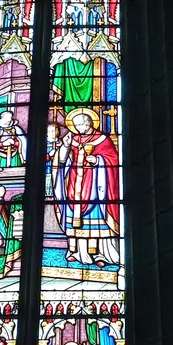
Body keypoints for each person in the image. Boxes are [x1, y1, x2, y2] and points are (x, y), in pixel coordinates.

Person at [52, 108, 120, 268]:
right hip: (74, 182)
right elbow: (61, 161)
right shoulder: (73, 139)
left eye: (81, 124)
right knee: (74, 218)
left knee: (96, 218)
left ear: (89, 123)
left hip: (96, 184)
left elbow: (113, 160)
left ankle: (100, 253)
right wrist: (65, 146)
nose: (79, 128)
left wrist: (97, 161)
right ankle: (77, 252)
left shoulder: (102, 139)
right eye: (76, 125)